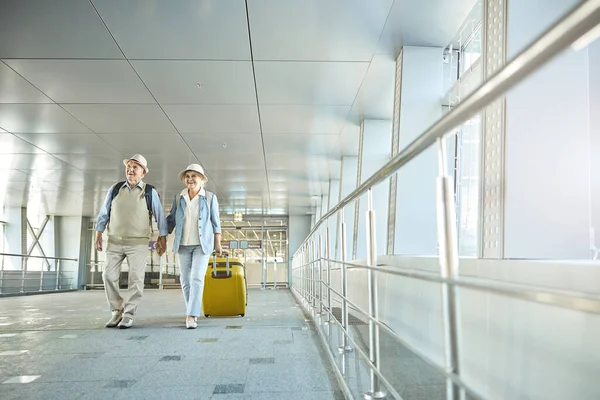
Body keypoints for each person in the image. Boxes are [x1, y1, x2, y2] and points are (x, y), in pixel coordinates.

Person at [95, 154, 167, 329]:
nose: (131, 170)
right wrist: (98, 234)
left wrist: (162, 238)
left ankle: (129, 313)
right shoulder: (115, 189)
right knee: (108, 276)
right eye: (129, 166)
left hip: (138, 243)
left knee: (136, 278)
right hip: (114, 241)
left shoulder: (149, 192)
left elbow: (160, 216)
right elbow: (104, 213)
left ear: (143, 172)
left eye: (135, 167)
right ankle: (116, 310)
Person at [167, 163, 222, 329]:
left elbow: (215, 223)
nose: (190, 179)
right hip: (182, 244)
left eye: (194, 176)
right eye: (188, 176)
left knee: (197, 278)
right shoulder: (179, 197)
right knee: (185, 280)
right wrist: (162, 237)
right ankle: (192, 309)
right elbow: (171, 219)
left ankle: (191, 315)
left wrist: (217, 244)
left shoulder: (210, 198)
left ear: (202, 180)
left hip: (201, 245)